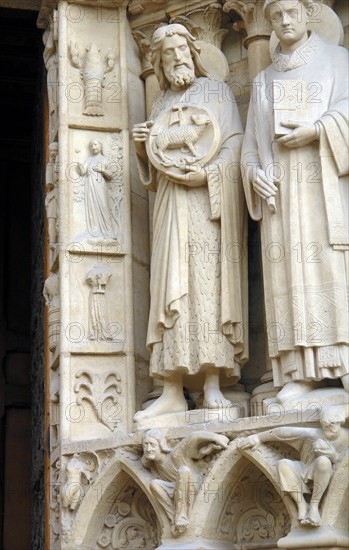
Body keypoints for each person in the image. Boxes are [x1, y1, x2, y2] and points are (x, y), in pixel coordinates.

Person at [132, 24, 247, 420]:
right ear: (160, 63)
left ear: (194, 53)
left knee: (205, 284)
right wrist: (141, 148)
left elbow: (235, 144)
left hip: (206, 204)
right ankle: (170, 389)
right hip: (170, 205)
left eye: (182, 49)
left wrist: (210, 174)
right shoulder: (160, 102)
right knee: (169, 287)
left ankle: (213, 384)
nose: (177, 57)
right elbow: (154, 165)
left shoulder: (217, 93)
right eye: (168, 53)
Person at [241, 0, 349, 403]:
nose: (285, 21)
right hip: (281, 200)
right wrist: (255, 175)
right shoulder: (264, 79)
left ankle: (342, 365)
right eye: (276, 16)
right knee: (289, 277)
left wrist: (317, 130)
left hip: (324, 188)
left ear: (307, 16)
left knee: (329, 266)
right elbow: (250, 146)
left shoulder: (338, 61)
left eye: (292, 13)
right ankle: (300, 372)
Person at [238, 407, 349, 527]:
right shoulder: (316, 434)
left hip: (327, 474)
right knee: (283, 464)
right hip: (307, 470)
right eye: (325, 424)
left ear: (341, 422)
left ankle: (314, 506)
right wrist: (258, 437)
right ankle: (302, 504)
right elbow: (284, 432)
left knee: (323, 461)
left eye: (332, 424)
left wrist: (334, 456)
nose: (328, 428)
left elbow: (342, 462)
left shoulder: (346, 437)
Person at [142, 429, 228, 535]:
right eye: (145, 445)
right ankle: (173, 518)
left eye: (152, 445)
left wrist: (216, 437)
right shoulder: (154, 465)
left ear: (161, 445)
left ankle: (182, 516)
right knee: (154, 484)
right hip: (176, 490)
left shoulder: (175, 455)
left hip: (193, 485)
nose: (148, 449)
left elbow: (193, 436)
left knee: (184, 470)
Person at [77, 139, 118, 244]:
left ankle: (108, 231)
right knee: (92, 206)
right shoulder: (89, 159)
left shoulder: (105, 159)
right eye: (91, 146)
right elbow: (82, 172)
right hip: (90, 183)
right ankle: (95, 230)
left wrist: (102, 170)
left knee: (103, 206)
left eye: (95, 145)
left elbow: (110, 175)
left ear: (101, 145)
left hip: (99, 184)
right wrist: (78, 163)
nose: (93, 147)